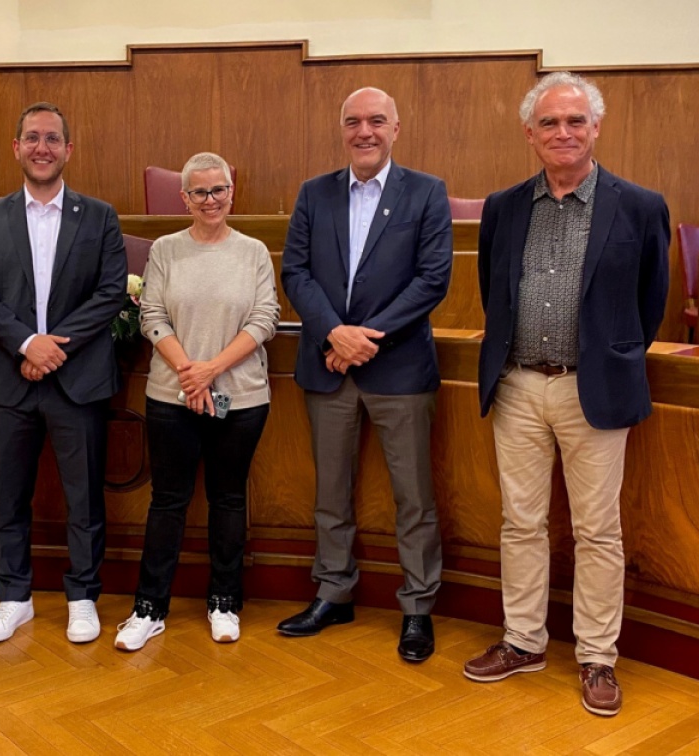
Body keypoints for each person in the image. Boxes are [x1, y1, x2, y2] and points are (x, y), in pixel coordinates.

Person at [463, 71, 669, 718]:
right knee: (520, 522)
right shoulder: (503, 207)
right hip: (519, 385)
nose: (563, 132)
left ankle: (597, 656)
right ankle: (523, 641)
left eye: (575, 120)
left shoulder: (640, 207)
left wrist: (612, 356)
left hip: (594, 388)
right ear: (530, 134)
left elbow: (652, 300)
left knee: (597, 530)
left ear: (596, 127)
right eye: (549, 122)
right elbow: (492, 287)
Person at [278, 87, 452, 662]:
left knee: (414, 497)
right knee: (330, 493)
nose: (365, 131)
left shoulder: (425, 192)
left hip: (399, 369)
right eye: (353, 121)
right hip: (328, 367)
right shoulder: (314, 193)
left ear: (396, 128)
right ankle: (333, 592)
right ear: (342, 129)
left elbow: (431, 280)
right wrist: (334, 333)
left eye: (377, 120)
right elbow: (296, 272)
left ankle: (417, 606)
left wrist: (361, 340)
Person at [0, 102, 127, 645]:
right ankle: (14, 598)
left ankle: (82, 597)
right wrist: (26, 344)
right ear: (16, 148)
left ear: (68, 150)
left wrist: (53, 347)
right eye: (32, 137)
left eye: (53, 138)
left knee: (84, 498)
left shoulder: (99, 216)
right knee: (9, 497)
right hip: (8, 379)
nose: (42, 147)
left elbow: (110, 292)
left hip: (77, 380)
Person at [112, 152, 280, 651]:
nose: (211, 200)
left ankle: (224, 601)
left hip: (241, 396)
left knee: (228, 499)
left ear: (232, 192)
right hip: (171, 396)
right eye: (200, 192)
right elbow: (152, 315)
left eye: (218, 190)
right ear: (184, 198)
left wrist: (210, 370)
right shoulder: (166, 250)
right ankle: (149, 608)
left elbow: (264, 319)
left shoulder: (253, 252)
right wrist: (190, 373)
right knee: (168, 500)